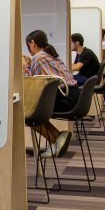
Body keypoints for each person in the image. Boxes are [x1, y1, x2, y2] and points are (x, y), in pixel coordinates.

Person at [23, 29, 79, 159]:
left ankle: (57, 138)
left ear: (32, 42)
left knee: (29, 113)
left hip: (65, 98)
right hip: (73, 95)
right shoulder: (49, 55)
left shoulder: (38, 57)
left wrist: (25, 65)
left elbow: (32, 81)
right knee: (35, 113)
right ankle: (57, 141)